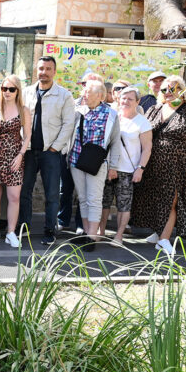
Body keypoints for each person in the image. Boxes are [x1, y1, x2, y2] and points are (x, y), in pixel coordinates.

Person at [130, 74, 186, 256]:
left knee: (172, 200)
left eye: (173, 89)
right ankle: (158, 231)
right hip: (153, 164)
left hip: (179, 165)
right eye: (164, 90)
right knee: (155, 199)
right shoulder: (154, 109)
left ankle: (164, 239)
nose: (168, 93)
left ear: (182, 91)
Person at [18, 56, 75, 246]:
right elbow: (19, 118)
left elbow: (68, 124)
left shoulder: (64, 95)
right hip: (28, 151)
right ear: (37, 70)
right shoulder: (26, 93)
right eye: (41, 68)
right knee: (24, 190)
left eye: (48, 69)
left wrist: (54, 147)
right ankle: (23, 227)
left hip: (50, 152)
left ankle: (50, 230)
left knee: (52, 194)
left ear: (54, 71)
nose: (44, 72)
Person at [67, 80, 120, 251]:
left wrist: (113, 166)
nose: (84, 94)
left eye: (88, 91)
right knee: (82, 198)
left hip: (97, 162)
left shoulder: (110, 114)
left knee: (94, 199)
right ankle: (85, 234)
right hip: (76, 159)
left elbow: (115, 142)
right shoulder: (78, 111)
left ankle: (92, 235)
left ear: (100, 95)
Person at [0, 75, 30, 248]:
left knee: (14, 196)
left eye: (11, 89)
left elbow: (27, 136)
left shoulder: (23, 110)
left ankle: (10, 232)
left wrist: (20, 155)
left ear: (18, 91)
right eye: (4, 89)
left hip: (13, 157)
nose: (7, 92)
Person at [101, 86, 152, 244]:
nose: (126, 101)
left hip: (127, 171)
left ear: (137, 102)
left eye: (130, 99)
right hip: (107, 168)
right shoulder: (112, 117)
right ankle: (101, 231)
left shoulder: (142, 122)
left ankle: (119, 235)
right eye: (123, 98)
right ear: (118, 99)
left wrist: (140, 169)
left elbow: (147, 148)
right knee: (104, 203)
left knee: (124, 205)